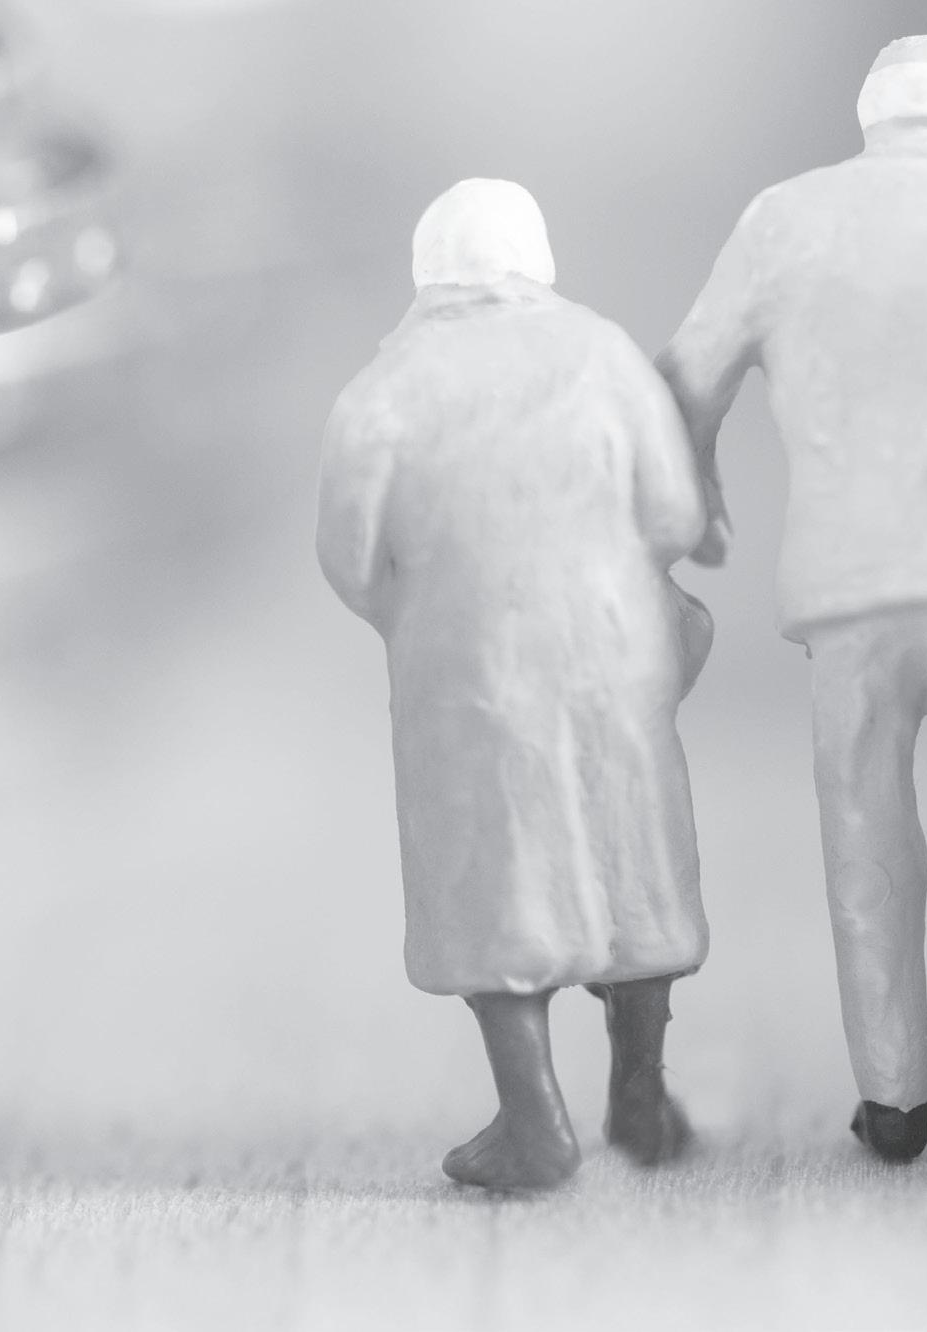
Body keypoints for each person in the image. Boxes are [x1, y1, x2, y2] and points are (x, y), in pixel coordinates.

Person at [658, 35, 927, 1169]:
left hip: (844, 579)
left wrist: (692, 506)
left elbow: (687, 376)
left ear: (869, 112)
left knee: (862, 830)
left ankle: (891, 1095)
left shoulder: (784, 219)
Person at [318, 179, 715, 1192]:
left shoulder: (383, 391)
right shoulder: (605, 356)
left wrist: (418, 618)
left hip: (469, 668)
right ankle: (641, 1097)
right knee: (631, 863)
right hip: (613, 644)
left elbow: (349, 559)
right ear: (535, 259)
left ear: (428, 270)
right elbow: (673, 515)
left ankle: (533, 1121)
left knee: (493, 879)